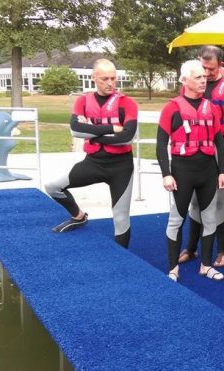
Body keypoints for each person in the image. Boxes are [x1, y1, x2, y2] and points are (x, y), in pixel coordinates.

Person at [45, 59, 137, 248]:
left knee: (120, 217)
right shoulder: (83, 100)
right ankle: (78, 217)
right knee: (52, 187)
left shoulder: (126, 103)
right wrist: (112, 128)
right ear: (94, 78)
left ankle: (121, 259)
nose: (110, 83)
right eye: (105, 78)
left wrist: (93, 133)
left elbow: (127, 137)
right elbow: (75, 130)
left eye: (113, 78)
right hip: (93, 163)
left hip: (121, 166)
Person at [156, 60, 224, 282]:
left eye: (204, 76)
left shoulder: (212, 108)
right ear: (184, 80)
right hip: (182, 172)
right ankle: (173, 268)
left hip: (207, 171)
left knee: (209, 219)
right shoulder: (172, 108)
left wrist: (222, 170)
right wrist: (166, 173)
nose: (203, 79)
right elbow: (160, 144)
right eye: (197, 76)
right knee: (176, 220)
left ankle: (206, 266)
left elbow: (219, 142)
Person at [177, 46, 224, 268]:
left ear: (221, 66)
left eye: (211, 68)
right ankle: (191, 247)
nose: (206, 73)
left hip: (219, 147)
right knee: (196, 201)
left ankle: (222, 250)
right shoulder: (190, 84)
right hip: (194, 150)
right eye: (203, 67)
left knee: (218, 201)